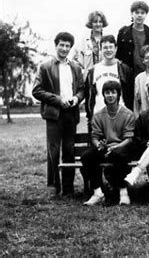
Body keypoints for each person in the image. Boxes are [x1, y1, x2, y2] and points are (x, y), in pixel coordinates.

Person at [32, 32, 84, 196]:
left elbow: (82, 89)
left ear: (70, 48)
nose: (64, 48)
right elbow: (36, 90)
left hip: (71, 113)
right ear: (56, 46)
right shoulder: (46, 67)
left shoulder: (75, 67)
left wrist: (76, 98)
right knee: (53, 151)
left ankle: (68, 187)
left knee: (69, 150)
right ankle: (54, 186)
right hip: (54, 114)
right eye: (61, 45)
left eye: (67, 45)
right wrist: (57, 100)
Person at [81, 81, 135, 206]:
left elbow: (129, 139)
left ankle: (123, 192)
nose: (110, 95)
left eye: (113, 92)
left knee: (118, 156)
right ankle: (98, 192)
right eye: (107, 93)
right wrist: (98, 145)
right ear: (103, 95)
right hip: (105, 148)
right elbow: (94, 136)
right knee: (87, 157)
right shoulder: (99, 115)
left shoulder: (127, 114)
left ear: (118, 95)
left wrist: (117, 146)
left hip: (122, 147)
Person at [84, 35, 133, 131]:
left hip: (121, 118)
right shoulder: (93, 70)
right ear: (100, 50)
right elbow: (88, 96)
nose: (108, 50)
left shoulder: (125, 69)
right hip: (99, 118)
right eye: (105, 47)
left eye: (111, 47)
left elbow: (130, 95)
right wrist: (90, 116)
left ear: (116, 49)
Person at [117, 1, 149, 77]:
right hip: (128, 73)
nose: (139, 15)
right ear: (132, 14)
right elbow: (118, 54)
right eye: (137, 12)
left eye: (142, 13)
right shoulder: (123, 33)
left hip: (147, 72)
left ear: (146, 15)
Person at [70, 10, 108, 79]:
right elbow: (75, 62)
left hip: (104, 78)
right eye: (95, 22)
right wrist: (84, 73)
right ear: (91, 24)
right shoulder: (83, 42)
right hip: (88, 81)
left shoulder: (108, 40)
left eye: (100, 22)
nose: (98, 24)